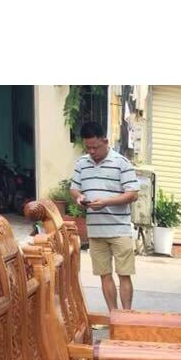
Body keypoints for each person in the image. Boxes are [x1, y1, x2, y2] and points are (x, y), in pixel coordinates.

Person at [69, 121, 140, 310]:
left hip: (119, 230)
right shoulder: (82, 163)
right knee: (104, 275)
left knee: (124, 274)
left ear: (105, 141)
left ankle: (126, 315)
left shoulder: (121, 163)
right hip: (96, 231)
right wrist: (79, 197)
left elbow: (133, 194)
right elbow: (74, 188)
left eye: (95, 147)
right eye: (88, 147)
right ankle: (113, 314)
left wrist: (106, 202)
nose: (92, 151)